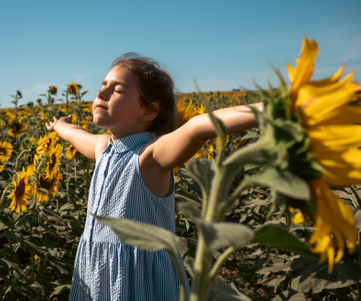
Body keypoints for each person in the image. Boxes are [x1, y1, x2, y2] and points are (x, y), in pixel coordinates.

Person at [45, 53, 262, 300]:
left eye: (117, 90)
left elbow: (197, 128)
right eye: (102, 86)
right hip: (97, 270)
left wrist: (276, 109)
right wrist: (60, 126)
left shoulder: (150, 156)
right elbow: (75, 134)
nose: (101, 94)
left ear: (148, 112)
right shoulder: (102, 147)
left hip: (139, 279)